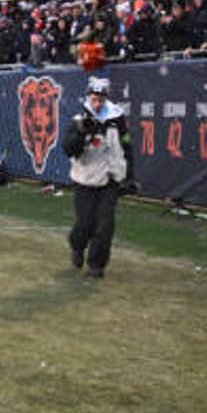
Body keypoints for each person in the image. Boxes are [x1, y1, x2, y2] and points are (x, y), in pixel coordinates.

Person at [61, 77, 135, 278]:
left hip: (110, 179)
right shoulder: (79, 121)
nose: (98, 103)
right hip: (85, 179)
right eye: (94, 99)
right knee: (85, 224)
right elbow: (68, 149)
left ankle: (97, 264)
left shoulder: (117, 119)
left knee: (105, 226)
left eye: (101, 99)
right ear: (88, 98)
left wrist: (129, 175)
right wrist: (82, 134)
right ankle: (77, 246)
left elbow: (126, 145)